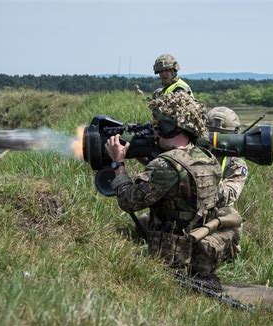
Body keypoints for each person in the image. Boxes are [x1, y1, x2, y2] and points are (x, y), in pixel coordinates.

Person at [105, 92, 237, 289]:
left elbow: (129, 201)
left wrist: (118, 163)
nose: (155, 131)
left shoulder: (165, 165)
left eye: (159, 125)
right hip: (200, 256)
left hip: (171, 261)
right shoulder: (207, 157)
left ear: (171, 127)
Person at [206, 107, 248, 258]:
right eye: (212, 133)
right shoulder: (190, 151)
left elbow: (228, 196)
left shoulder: (236, 164)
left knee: (232, 220)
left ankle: (228, 256)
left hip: (216, 210)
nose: (217, 140)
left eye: (224, 136)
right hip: (189, 205)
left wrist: (202, 176)